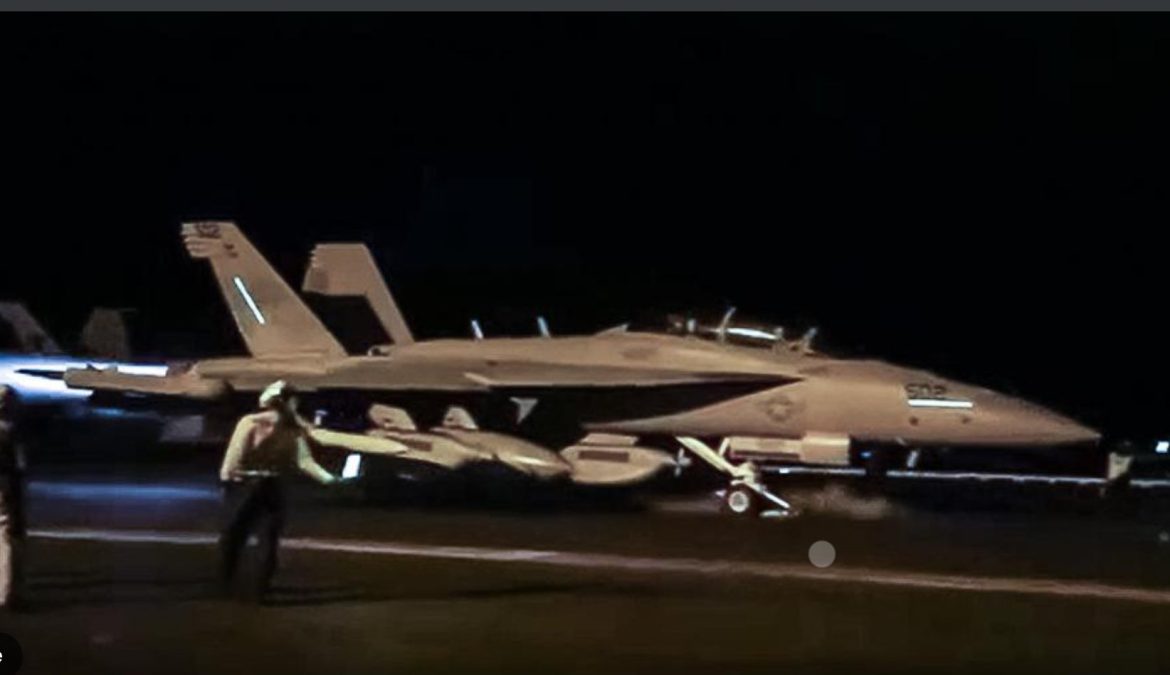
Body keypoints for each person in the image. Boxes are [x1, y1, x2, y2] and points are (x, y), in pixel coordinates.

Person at [218, 380, 346, 602]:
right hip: (274, 485)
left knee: (234, 536)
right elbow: (305, 462)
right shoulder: (293, 429)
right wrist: (331, 480)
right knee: (268, 540)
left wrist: (226, 478)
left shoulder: (250, 422)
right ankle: (260, 590)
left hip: (245, 484)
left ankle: (225, 584)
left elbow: (234, 457)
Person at [0, 385, 27, 611]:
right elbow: (18, 468)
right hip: (4, 490)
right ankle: (5, 592)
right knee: (5, 540)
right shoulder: (10, 435)